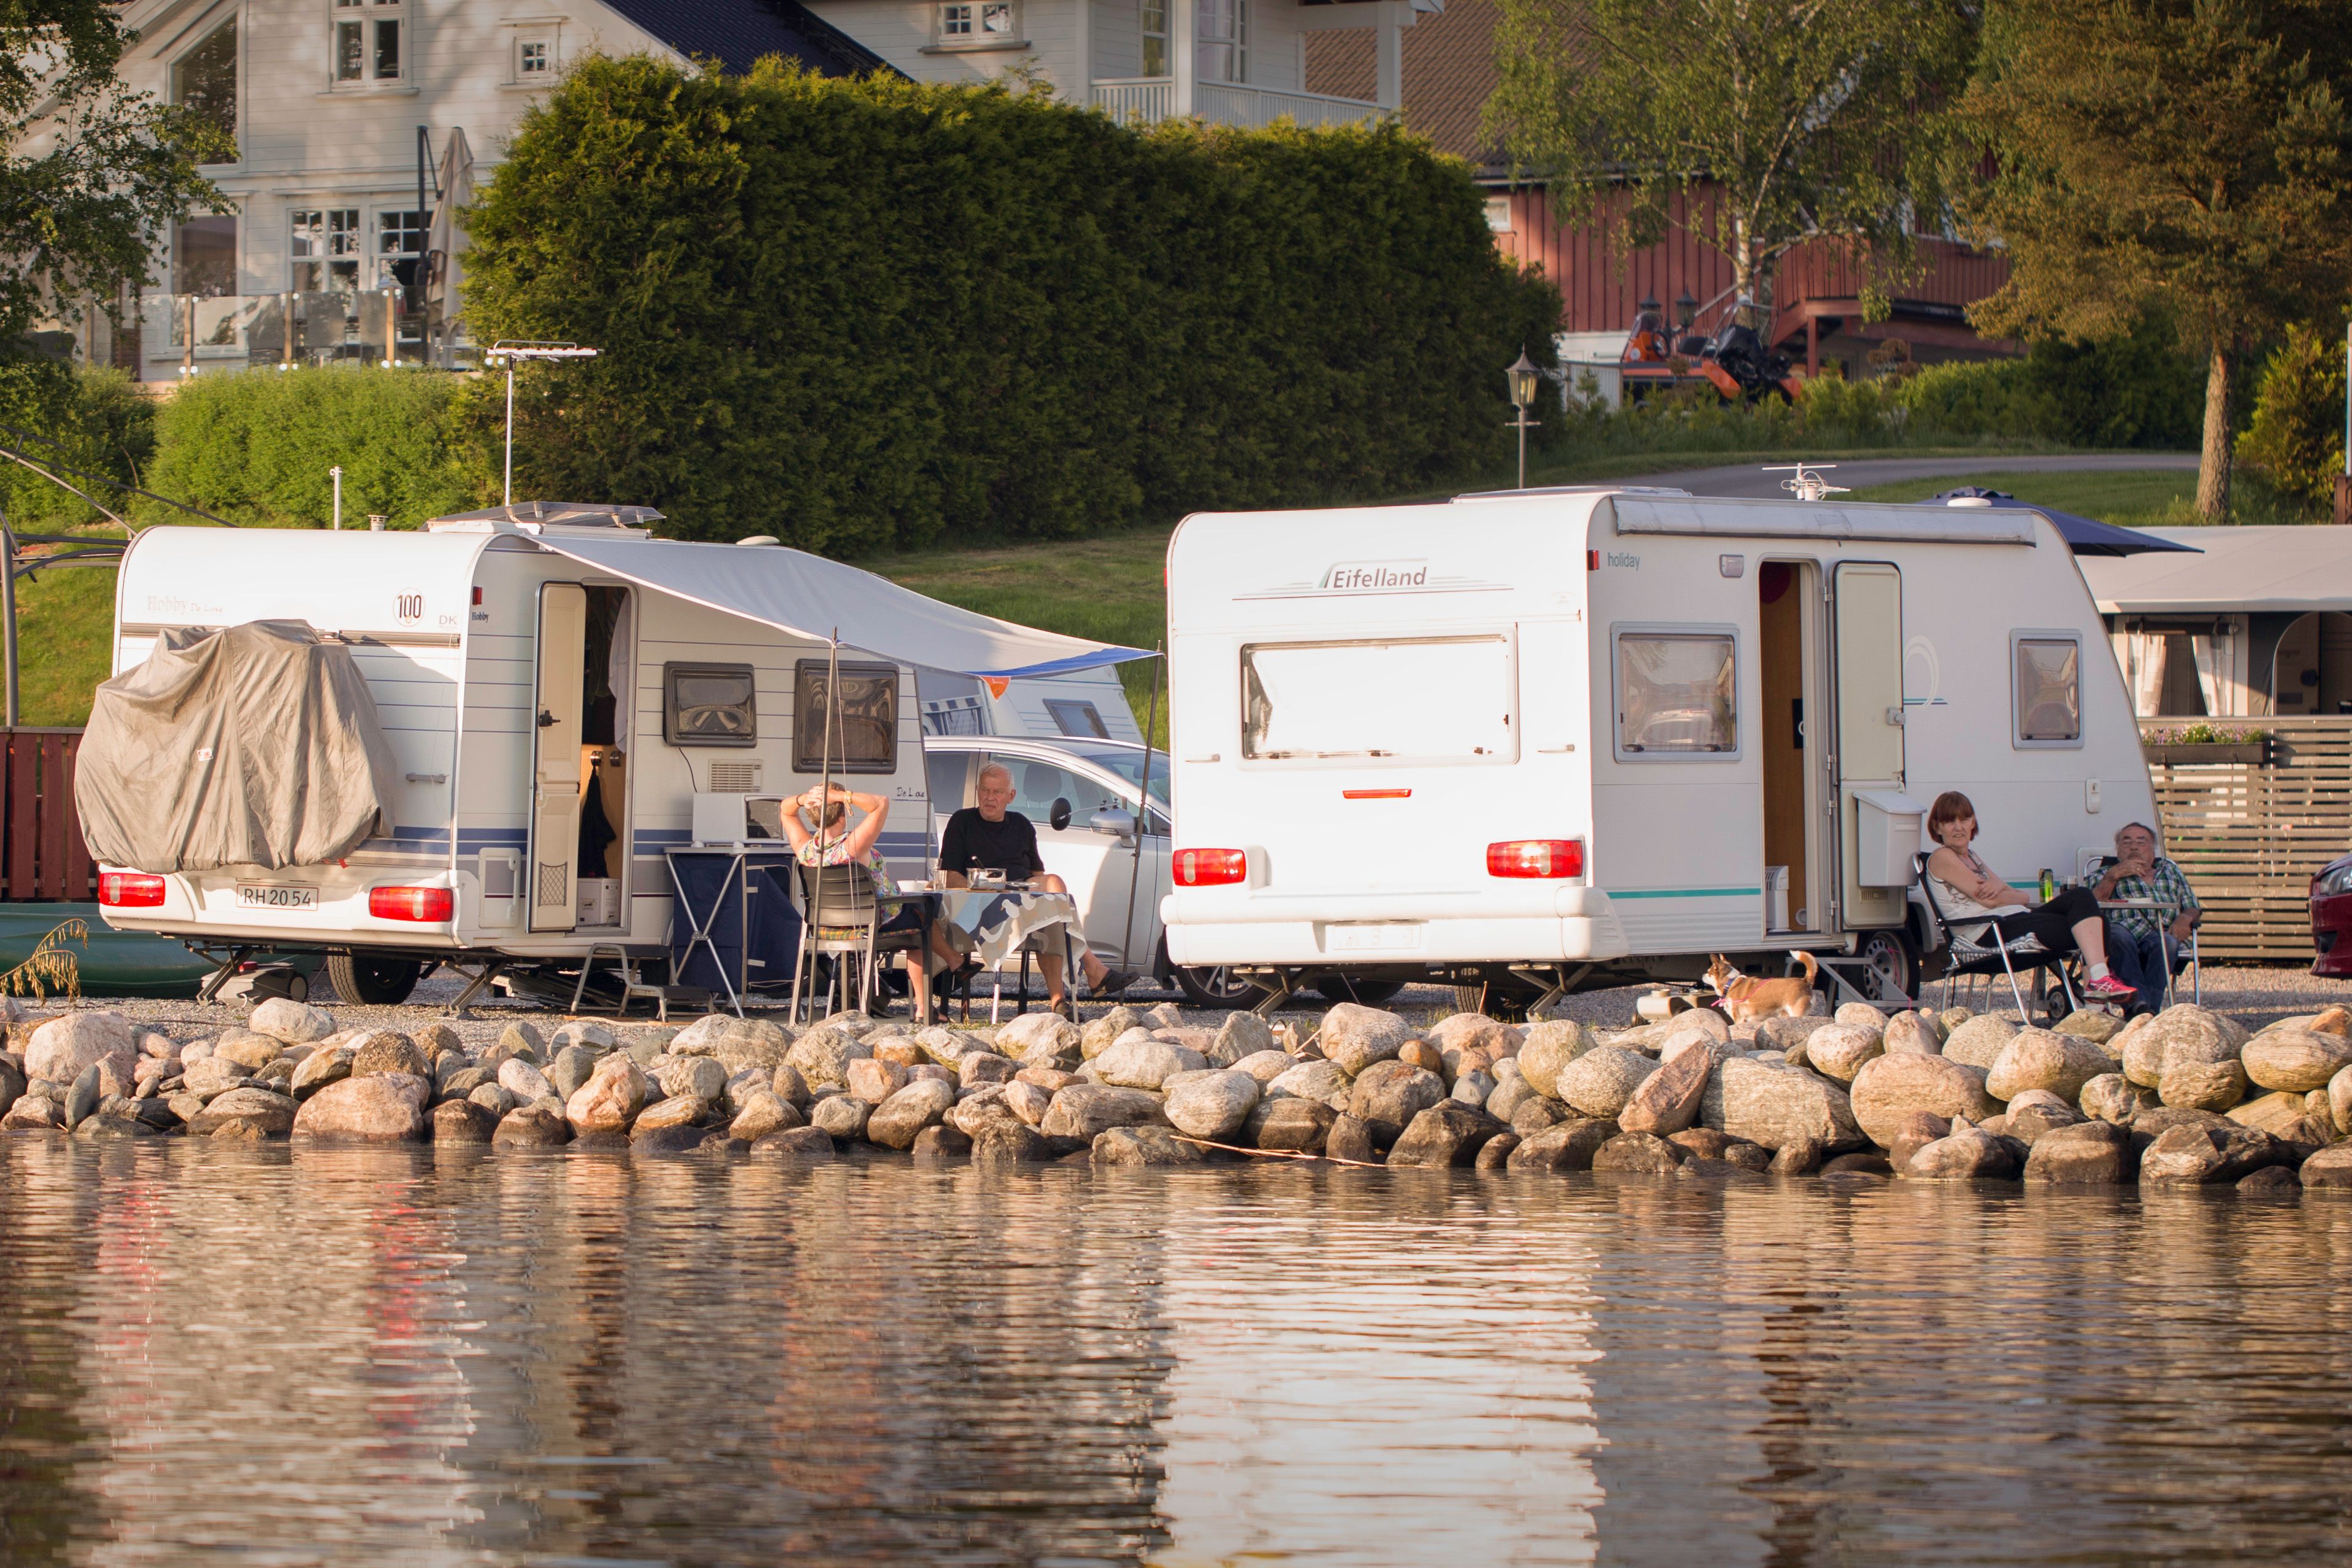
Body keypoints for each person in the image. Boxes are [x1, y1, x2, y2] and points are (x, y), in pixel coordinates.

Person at [939, 761, 1132, 1015]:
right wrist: (987, 888)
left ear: (1011, 796)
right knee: (1050, 917)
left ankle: (1060, 1002)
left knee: (1053, 890)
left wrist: (1022, 891)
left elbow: (1038, 875)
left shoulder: (1021, 824)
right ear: (977, 791)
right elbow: (950, 877)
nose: (989, 798)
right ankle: (1093, 971)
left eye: (997, 793)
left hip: (1023, 903)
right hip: (981, 907)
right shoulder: (962, 821)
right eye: (985, 791)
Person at [1923, 790, 2137, 1002]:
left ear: (1973, 823)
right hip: (1988, 932)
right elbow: (1990, 900)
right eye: (1950, 821)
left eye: (1964, 819)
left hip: (2012, 919)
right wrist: (2005, 895)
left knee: (2087, 906)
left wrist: (2008, 894)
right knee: (2088, 924)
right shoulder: (1943, 857)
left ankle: (2097, 996)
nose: (1958, 827)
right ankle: (2099, 985)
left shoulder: (1971, 857)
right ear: (1937, 827)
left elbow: (2019, 895)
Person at [780, 783, 957, 1018]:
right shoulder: (852, 847)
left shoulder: (805, 850)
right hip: (868, 922)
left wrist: (805, 799)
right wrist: (841, 796)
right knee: (920, 922)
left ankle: (954, 963)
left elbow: (785, 810)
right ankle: (926, 1006)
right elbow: (880, 804)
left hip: (826, 925)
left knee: (916, 912)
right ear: (843, 816)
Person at [2094, 820, 2200, 1014]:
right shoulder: (2105, 873)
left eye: (2141, 842)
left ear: (2153, 849)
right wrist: (2113, 876)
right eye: (2127, 842)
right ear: (2118, 850)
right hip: (2123, 928)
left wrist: (2185, 919)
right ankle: (2143, 1009)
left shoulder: (2170, 870)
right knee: (2117, 937)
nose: (2134, 846)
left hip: (2161, 930)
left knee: (2167, 942)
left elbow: (2192, 906)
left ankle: (2142, 1009)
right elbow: (2091, 906)